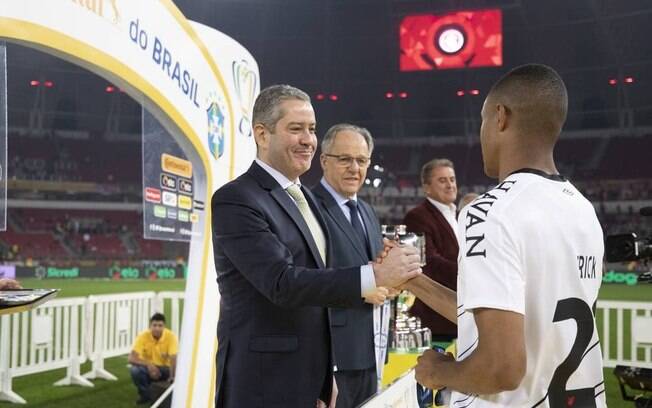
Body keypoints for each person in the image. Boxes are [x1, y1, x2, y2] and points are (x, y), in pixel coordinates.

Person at [211, 84, 421, 408]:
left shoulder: (306, 198)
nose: (308, 139)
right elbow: (282, 283)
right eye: (295, 129)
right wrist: (375, 276)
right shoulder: (236, 199)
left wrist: (324, 378)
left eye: (311, 129)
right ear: (262, 134)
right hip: (263, 383)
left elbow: (322, 288)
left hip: (311, 381)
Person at [412, 64, 606, 407]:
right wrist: (415, 283)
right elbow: (519, 316)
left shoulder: (489, 212)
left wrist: (439, 370)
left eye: (483, 121)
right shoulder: (582, 209)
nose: (481, 134)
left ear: (500, 117)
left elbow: (501, 369)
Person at [312, 123, 389, 407]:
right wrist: (362, 288)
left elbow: (375, 269)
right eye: (344, 159)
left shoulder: (367, 211)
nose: (354, 168)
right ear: (324, 161)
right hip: (332, 356)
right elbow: (305, 280)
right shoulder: (308, 207)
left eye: (361, 160)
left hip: (371, 351)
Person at [403, 159, 458, 341]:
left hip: (461, 314)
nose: (450, 185)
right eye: (442, 180)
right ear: (427, 188)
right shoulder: (417, 217)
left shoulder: (461, 215)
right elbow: (429, 263)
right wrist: (470, 273)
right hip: (437, 317)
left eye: (452, 179)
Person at [128, 313, 178, 405]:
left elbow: (173, 358)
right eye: (154, 325)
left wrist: (172, 376)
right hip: (148, 368)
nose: (157, 328)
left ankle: (162, 396)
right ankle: (145, 395)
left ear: (164, 326)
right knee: (135, 371)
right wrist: (149, 365)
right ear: (150, 326)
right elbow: (131, 358)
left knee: (176, 374)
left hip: (165, 368)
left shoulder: (171, 336)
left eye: (160, 326)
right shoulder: (143, 336)